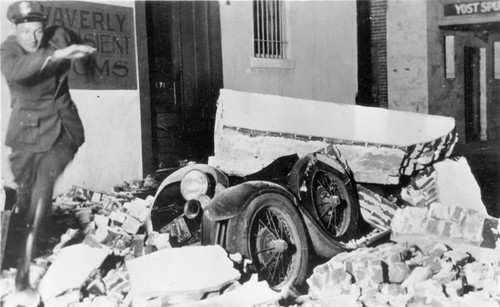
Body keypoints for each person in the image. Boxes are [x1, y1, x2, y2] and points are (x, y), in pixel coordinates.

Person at [1, 1, 96, 292]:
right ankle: (18, 251)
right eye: (26, 32)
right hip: (28, 138)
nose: (33, 38)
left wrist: (84, 59)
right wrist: (59, 55)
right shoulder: (8, 51)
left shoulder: (59, 35)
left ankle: (23, 277)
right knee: (28, 203)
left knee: (42, 192)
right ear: (16, 30)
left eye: (38, 30)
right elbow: (21, 71)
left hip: (64, 131)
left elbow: (80, 50)